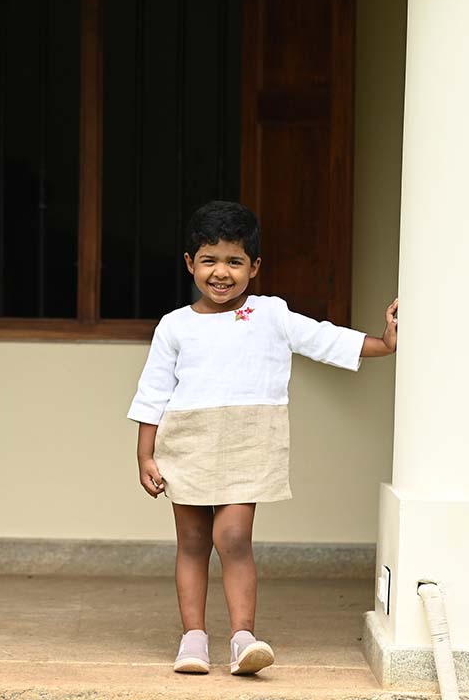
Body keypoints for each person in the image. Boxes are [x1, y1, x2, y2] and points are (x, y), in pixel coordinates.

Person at [127, 200, 398, 676]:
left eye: (234, 262)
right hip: (187, 441)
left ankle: (242, 638)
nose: (221, 273)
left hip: (249, 440)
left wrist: (383, 344)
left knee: (233, 538)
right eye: (209, 260)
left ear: (254, 267)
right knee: (192, 541)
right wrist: (145, 454)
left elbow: (323, 338)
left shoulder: (271, 314)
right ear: (190, 263)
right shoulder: (175, 325)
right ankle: (193, 638)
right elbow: (153, 392)